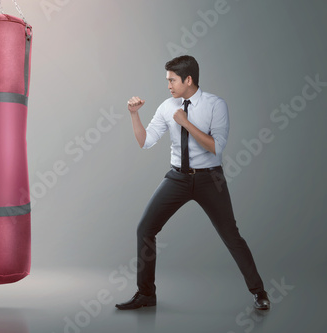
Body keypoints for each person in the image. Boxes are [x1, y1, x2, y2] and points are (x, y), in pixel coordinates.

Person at [115, 55, 270, 311]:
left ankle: (259, 292)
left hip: (211, 178)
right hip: (177, 177)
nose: (168, 86)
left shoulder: (215, 105)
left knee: (231, 236)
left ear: (188, 79)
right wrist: (134, 115)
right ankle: (146, 294)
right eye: (168, 80)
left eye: (172, 80)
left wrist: (186, 123)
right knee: (145, 229)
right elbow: (145, 142)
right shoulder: (167, 107)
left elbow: (216, 148)